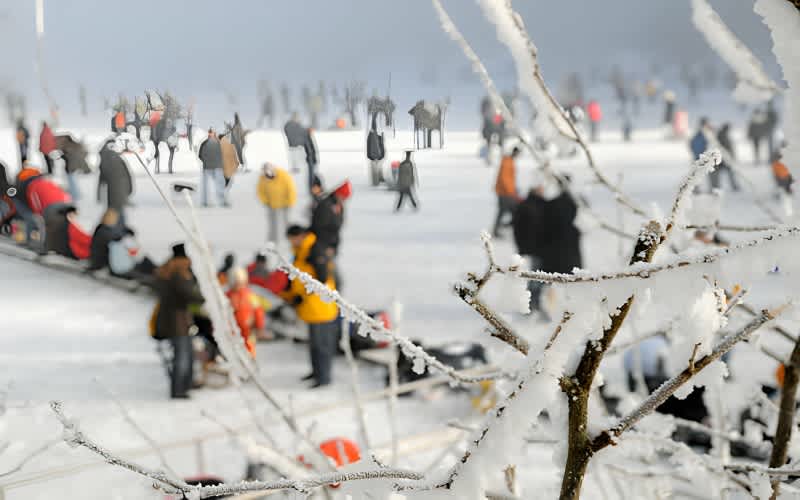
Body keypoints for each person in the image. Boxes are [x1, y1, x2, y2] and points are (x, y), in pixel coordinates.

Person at [513, 176, 581, 315]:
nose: (542, 190)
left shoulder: (544, 204)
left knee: (541, 279)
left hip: (543, 249)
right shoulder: (531, 205)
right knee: (537, 279)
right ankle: (532, 305)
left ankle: (536, 305)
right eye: (540, 188)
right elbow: (521, 229)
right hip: (536, 249)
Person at [283, 225, 339, 388]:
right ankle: (317, 372)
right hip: (310, 307)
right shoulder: (300, 251)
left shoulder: (314, 250)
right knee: (314, 344)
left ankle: (324, 377)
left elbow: (321, 279)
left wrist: (303, 296)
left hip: (321, 306)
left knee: (322, 344)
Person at [153, 243, 204, 398]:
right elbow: (190, 294)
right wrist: (204, 298)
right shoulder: (178, 274)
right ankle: (179, 389)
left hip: (173, 320)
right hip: (178, 321)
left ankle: (185, 385)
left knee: (185, 354)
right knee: (182, 356)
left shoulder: (167, 271)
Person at [226, 267, 266, 357]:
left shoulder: (249, 295)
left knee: (249, 351)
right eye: (235, 281)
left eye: (239, 281)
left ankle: (250, 366)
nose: (237, 284)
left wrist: (259, 326)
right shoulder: (227, 296)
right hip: (232, 330)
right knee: (233, 353)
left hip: (248, 330)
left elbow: (258, 310)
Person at [257, 163, 297, 244]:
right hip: (272, 204)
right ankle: (272, 241)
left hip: (285, 204)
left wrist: (290, 201)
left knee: (286, 222)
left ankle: (291, 239)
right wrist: (265, 201)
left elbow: (291, 189)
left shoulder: (283, 175)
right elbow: (260, 191)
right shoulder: (262, 178)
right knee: (273, 224)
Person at [97, 138, 134, 222]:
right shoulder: (110, 157)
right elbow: (104, 177)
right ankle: (117, 228)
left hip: (117, 191)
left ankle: (118, 227)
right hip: (116, 191)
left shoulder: (108, 157)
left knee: (116, 212)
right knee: (117, 213)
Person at [493, 147, 521, 237]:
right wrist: (511, 191)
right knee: (508, 211)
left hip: (506, 191)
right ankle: (499, 229)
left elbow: (510, 178)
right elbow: (504, 178)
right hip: (504, 192)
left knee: (507, 211)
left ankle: (501, 228)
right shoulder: (507, 162)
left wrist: (514, 189)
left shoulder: (509, 161)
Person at [198, 128, 227, 207]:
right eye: (210, 132)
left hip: (217, 167)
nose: (212, 134)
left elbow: (223, 153)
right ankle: (205, 202)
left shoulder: (219, 143)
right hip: (207, 168)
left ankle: (223, 201)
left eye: (213, 133)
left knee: (220, 185)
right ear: (209, 133)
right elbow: (200, 155)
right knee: (206, 186)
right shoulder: (205, 143)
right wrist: (206, 161)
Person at [713, 123, 740, 191]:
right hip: (723, 159)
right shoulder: (722, 136)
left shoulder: (722, 135)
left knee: (728, 173)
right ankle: (718, 187)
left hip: (724, 158)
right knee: (728, 173)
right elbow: (724, 148)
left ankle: (718, 187)